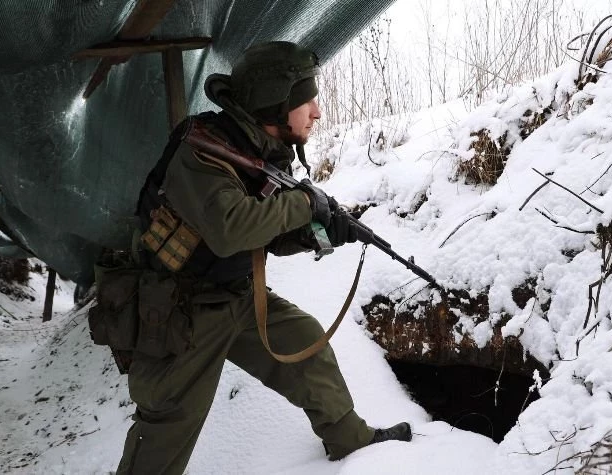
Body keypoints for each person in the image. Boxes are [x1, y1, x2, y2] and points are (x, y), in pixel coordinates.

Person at [116, 41, 411, 474]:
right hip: (184, 310)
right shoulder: (202, 150)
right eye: (306, 100)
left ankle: (350, 440)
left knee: (305, 343)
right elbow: (231, 229)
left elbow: (269, 234)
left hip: (238, 294)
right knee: (168, 423)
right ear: (275, 103)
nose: (317, 112)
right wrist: (306, 204)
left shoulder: (262, 151)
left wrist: (321, 233)